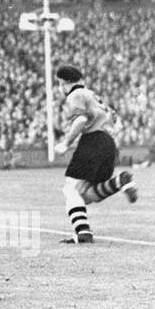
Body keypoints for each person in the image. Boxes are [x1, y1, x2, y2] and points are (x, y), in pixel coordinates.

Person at [52, 65, 139, 245]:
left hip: (92, 141)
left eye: (59, 84)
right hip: (108, 144)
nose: (60, 88)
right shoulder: (93, 95)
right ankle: (119, 181)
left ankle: (83, 233)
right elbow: (117, 123)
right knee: (86, 194)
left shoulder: (75, 95)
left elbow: (81, 120)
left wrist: (65, 143)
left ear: (64, 82)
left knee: (70, 189)